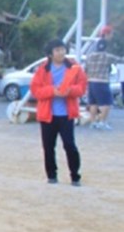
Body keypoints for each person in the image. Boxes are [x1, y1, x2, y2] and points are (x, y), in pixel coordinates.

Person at [29, 38, 87, 186]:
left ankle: (75, 176)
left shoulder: (74, 67)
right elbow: (35, 90)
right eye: (57, 50)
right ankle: (51, 175)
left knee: (70, 145)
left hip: (66, 114)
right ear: (50, 54)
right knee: (48, 147)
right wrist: (52, 91)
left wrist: (70, 91)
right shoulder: (43, 69)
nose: (61, 52)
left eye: (63, 49)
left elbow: (82, 87)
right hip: (48, 115)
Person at [85, 38, 121, 130]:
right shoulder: (107, 56)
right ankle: (102, 122)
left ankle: (93, 122)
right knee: (107, 103)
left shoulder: (89, 56)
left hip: (91, 81)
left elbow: (86, 69)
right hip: (102, 81)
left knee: (93, 103)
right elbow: (119, 60)